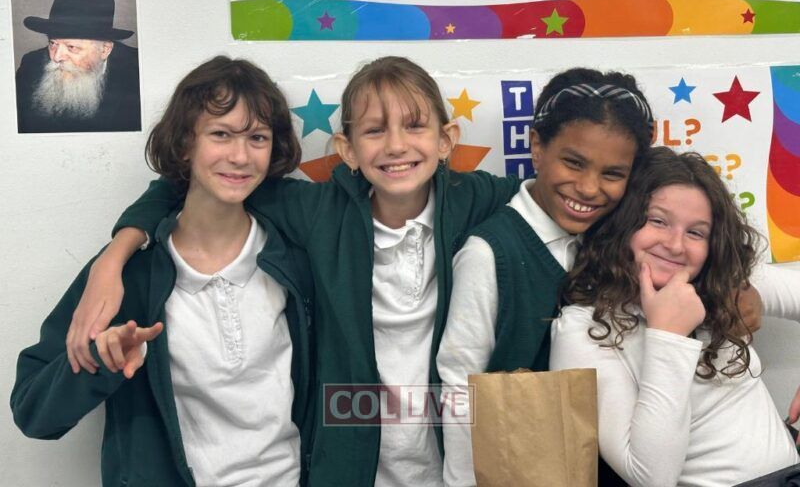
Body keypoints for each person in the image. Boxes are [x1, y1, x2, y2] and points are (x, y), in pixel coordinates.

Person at [63, 56, 520, 487]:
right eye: (375, 130)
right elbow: (190, 183)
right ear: (347, 149)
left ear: (446, 140)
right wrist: (116, 254)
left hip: (455, 462)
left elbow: (553, 194)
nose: (397, 145)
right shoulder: (318, 211)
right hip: (349, 464)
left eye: (415, 126)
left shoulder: (475, 200)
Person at [11, 56, 313, 486]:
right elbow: (34, 414)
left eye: (257, 137)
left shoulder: (296, 257)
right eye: (221, 134)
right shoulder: (127, 274)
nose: (240, 156)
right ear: (186, 143)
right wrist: (101, 360)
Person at [436, 69, 656, 487]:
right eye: (573, 163)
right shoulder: (489, 254)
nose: (589, 188)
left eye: (613, 173)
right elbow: (462, 389)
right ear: (537, 146)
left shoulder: (623, 236)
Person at [550, 147, 800, 487]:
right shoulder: (583, 329)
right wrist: (667, 336)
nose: (676, 245)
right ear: (622, 224)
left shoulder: (719, 280)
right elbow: (650, 477)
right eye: (657, 221)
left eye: (696, 232)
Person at [15, 0, 141, 133]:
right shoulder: (31, 65)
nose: (56, 57)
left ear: (105, 50)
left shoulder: (138, 70)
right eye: (53, 43)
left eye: (71, 47)